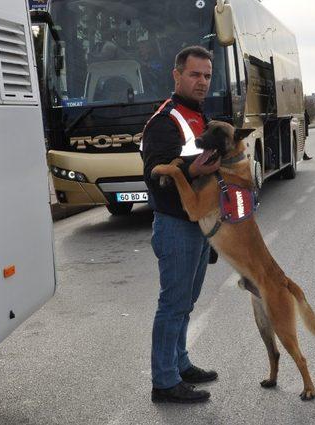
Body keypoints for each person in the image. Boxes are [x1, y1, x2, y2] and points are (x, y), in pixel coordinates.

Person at [141, 46, 221, 404]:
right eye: (194, 74)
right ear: (177, 75)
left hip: (200, 224)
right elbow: (153, 172)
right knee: (173, 304)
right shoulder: (165, 120)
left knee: (187, 302)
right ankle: (165, 382)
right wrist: (192, 170)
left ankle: (180, 363)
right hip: (176, 225)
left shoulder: (199, 115)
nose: (202, 81)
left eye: (206, 75)